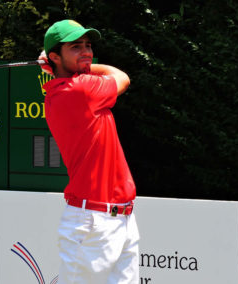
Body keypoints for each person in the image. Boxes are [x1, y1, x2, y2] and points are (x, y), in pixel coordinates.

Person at [39, 19, 140, 284]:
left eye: (88, 45)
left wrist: (59, 66)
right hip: (93, 223)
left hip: (121, 218)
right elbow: (122, 77)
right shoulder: (80, 89)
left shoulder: (70, 88)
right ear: (54, 56)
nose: (86, 51)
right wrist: (78, 67)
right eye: (76, 47)